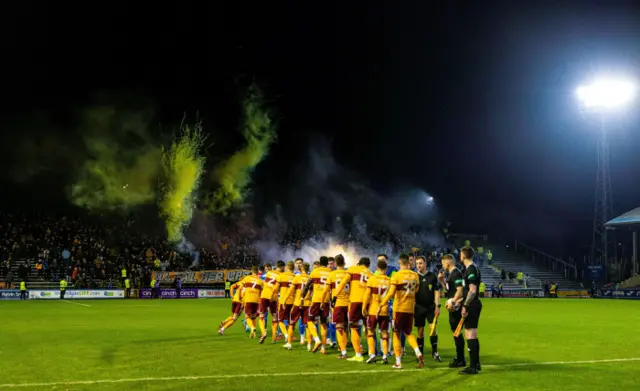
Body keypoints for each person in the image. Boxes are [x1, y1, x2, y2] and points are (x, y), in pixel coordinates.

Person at [377, 253, 424, 369]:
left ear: (399, 263)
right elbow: (417, 289)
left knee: (396, 334)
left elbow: (391, 293)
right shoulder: (415, 275)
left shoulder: (397, 275)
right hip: (410, 309)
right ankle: (418, 351)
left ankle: (398, 362)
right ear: (409, 262)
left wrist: (382, 303)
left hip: (398, 309)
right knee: (408, 332)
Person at [333, 257, 373, 362]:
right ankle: (371, 353)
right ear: (368, 265)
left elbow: (343, 282)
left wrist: (335, 296)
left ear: (359, 263)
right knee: (368, 328)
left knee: (354, 327)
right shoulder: (371, 274)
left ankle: (358, 355)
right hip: (367, 302)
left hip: (355, 301)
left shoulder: (353, 269)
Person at [362, 258, 391, 364]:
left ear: (377, 268)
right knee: (384, 333)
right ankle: (384, 356)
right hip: (384, 310)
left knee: (370, 331)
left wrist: (364, 307)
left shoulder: (372, 279)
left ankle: (372, 355)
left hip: (373, 310)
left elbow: (367, 295)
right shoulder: (389, 281)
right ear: (386, 268)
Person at [300, 256, 331, 354]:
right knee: (323, 323)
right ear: (327, 263)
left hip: (316, 299)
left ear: (320, 263)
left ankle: (317, 339)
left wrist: (302, 297)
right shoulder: (331, 273)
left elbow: (307, 286)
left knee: (309, 320)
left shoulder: (314, 272)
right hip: (326, 300)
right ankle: (323, 348)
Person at [459, 246, 482, 374]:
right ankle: (476, 364)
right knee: (471, 333)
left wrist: (465, 305)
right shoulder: (470, 268)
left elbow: (472, 291)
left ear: (463, 255)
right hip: (473, 304)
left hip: (472, 304)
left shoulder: (471, 269)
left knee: (470, 333)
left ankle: (473, 366)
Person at [321, 254, 350, 359]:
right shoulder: (348, 274)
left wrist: (322, 301)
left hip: (337, 304)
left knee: (339, 327)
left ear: (336, 263)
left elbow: (326, 290)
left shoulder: (332, 275)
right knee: (346, 327)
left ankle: (343, 351)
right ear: (344, 263)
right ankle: (343, 347)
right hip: (349, 303)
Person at [440, 253, 466, 368]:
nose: (443, 266)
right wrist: (442, 281)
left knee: (457, 333)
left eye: (443, 263)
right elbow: (449, 290)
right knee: (456, 333)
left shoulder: (456, 273)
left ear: (447, 263)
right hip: (454, 308)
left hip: (457, 308)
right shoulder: (451, 274)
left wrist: (453, 302)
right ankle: (459, 357)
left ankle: (461, 359)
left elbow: (460, 290)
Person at [414, 256, 441, 362]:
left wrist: (437, 306)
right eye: (417, 263)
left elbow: (437, 292)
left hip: (430, 308)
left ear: (425, 264)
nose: (418, 265)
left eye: (420, 263)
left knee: (433, 329)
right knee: (420, 332)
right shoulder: (414, 276)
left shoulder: (432, 276)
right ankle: (420, 354)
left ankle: (435, 352)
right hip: (418, 308)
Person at [286, 262, 312, 350]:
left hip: (297, 303)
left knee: (291, 324)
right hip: (307, 304)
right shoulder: (310, 279)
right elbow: (312, 292)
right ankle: (309, 345)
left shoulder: (297, 278)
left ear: (302, 269)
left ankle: (289, 344)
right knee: (308, 325)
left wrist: (284, 300)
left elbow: (290, 290)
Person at [259, 261, 283, 344]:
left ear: (276, 266)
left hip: (264, 295)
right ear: (282, 267)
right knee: (274, 316)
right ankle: (274, 338)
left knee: (261, 315)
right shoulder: (281, 276)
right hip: (273, 297)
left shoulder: (268, 273)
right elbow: (279, 288)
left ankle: (263, 332)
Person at [275, 261, 296, 349]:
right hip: (293, 302)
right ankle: (290, 336)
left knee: (280, 320)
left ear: (287, 267)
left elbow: (276, 288)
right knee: (291, 321)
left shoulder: (282, 276)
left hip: (283, 301)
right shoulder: (295, 277)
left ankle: (286, 335)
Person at [241, 266, 264, 339]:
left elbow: (241, 287)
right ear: (257, 272)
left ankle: (252, 328)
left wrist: (241, 297)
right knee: (253, 317)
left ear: (251, 271)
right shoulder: (260, 281)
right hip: (256, 301)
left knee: (247, 316)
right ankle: (253, 333)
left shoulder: (247, 278)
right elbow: (263, 291)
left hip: (248, 299)